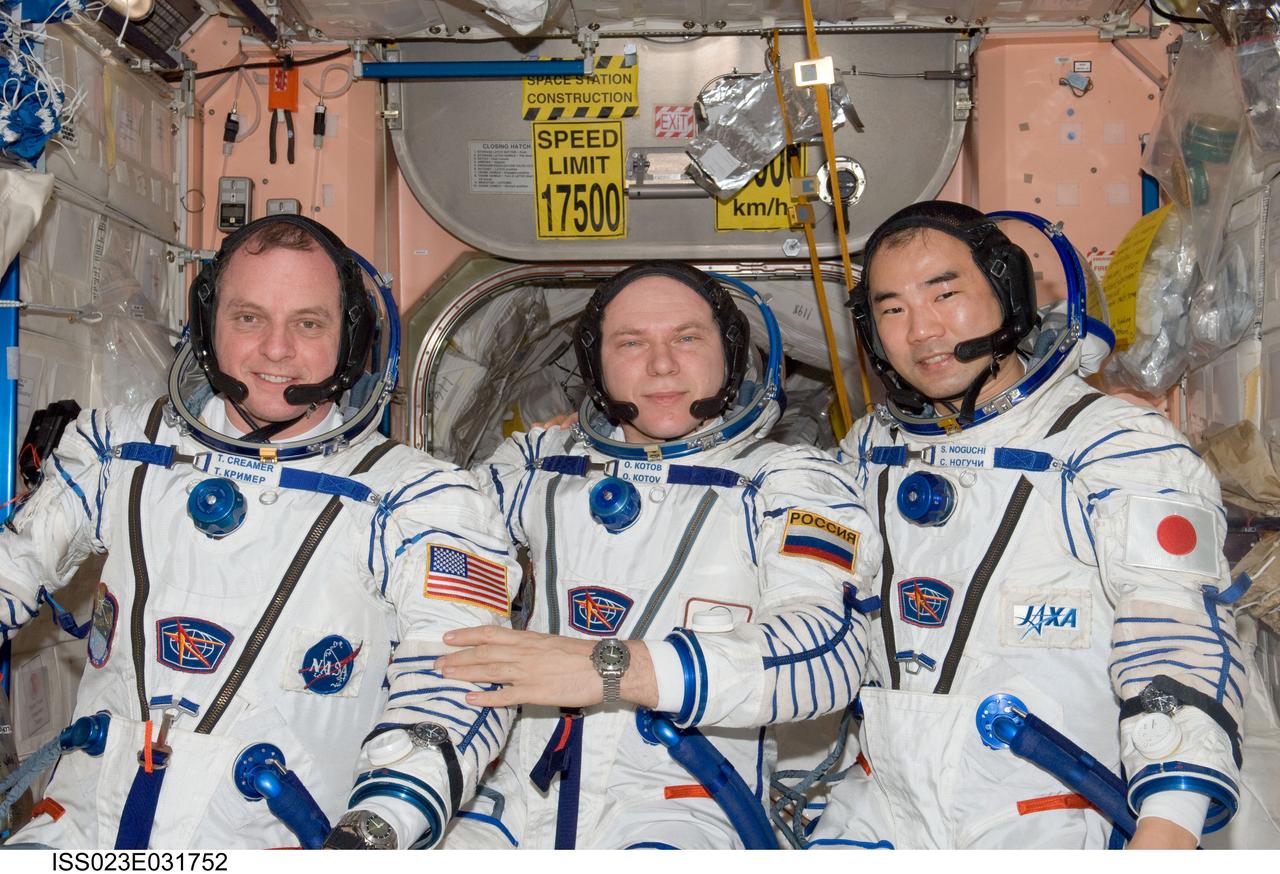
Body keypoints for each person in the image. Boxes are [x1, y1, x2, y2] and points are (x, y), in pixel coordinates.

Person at [0, 215, 517, 849]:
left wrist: (377, 827)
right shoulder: (119, 448)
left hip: (283, 837)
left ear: (350, 342)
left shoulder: (419, 500)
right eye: (249, 318)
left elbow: (461, 686)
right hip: (81, 832)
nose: (276, 350)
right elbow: (13, 563)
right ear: (208, 323)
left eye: (308, 323)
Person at [812, 201, 1245, 849]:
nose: (922, 330)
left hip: (1044, 811)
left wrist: (1169, 827)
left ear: (1007, 293)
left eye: (946, 294)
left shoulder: (1116, 445)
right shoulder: (867, 450)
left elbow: (1176, 637)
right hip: (882, 806)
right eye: (892, 309)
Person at [435, 261, 880, 849]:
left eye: (687, 338)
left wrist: (613, 671)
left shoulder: (790, 482)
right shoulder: (533, 466)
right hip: (512, 799)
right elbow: (428, 559)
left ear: (731, 354)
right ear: (597, 369)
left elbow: (826, 654)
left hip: (686, 802)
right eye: (631, 343)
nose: (662, 364)